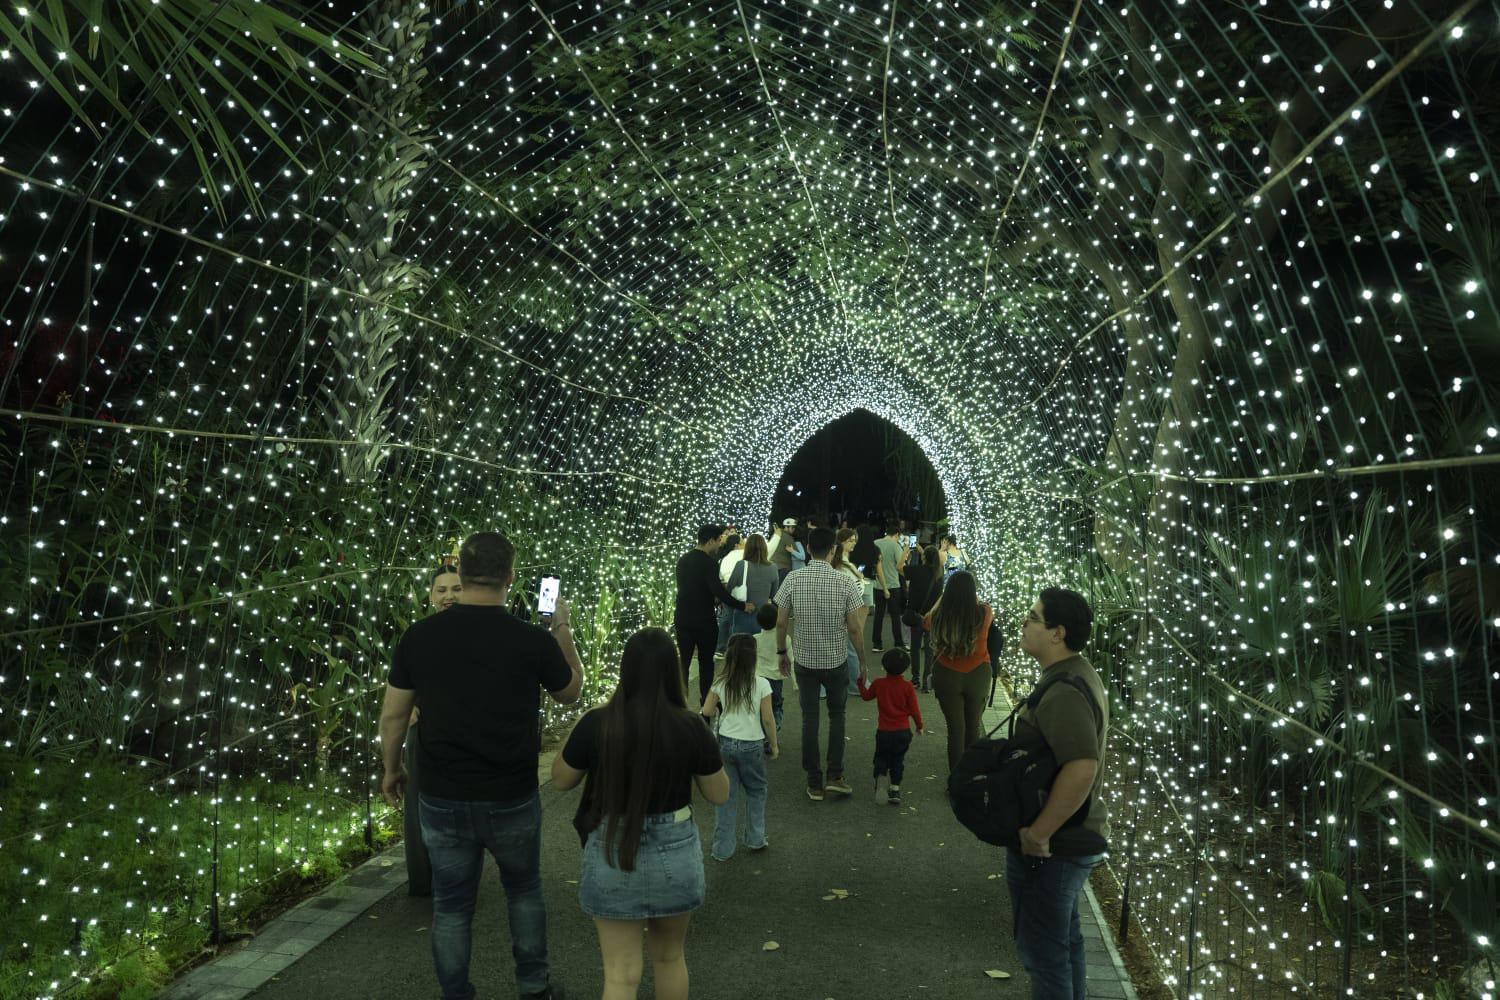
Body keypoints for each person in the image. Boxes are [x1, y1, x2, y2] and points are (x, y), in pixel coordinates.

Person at [379, 532, 583, 1000]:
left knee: (451, 906)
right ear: (510, 577)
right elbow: (571, 692)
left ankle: (456, 994)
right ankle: (533, 987)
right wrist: (561, 630)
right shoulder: (530, 639)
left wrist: (392, 769)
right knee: (524, 893)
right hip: (511, 793)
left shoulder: (420, 637)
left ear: (462, 575)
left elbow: (393, 716)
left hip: (442, 794)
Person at [550, 628, 730, 1000]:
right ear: (673, 670)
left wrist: (582, 724)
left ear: (625, 670)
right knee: (669, 958)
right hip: (676, 850)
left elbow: (560, 780)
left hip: (612, 844)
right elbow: (719, 793)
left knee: (620, 975)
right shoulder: (691, 725)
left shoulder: (599, 723)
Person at [1009, 588, 1110, 1000]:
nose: (1024, 623)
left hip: (1056, 845)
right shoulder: (1073, 673)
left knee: (1044, 953)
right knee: (1064, 943)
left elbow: (1082, 765)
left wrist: (1039, 833)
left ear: (1057, 633)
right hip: (1070, 837)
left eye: (1033, 617)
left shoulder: (1066, 688)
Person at [773, 526, 865, 801]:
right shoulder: (845, 582)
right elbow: (855, 628)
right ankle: (835, 775)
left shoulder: (792, 579)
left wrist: (781, 652)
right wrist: (861, 660)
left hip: (805, 660)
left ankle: (814, 781)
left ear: (809, 549)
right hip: (836, 660)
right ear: (834, 550)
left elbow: (780, 621)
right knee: (837, 716)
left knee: (809, 718)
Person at [402, 564, 463, 898]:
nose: (448, 596)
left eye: (456, 589)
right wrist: (407, 705)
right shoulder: (418, 633)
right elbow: (399, 682)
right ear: (430, 596)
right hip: (423, 729)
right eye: (441, 590)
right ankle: (423, 881)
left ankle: (456, 876)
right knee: (418, 804)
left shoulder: (478, 633)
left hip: (464, 731)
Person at [702, 633, 778, 860]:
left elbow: (706, 711)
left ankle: (722, 848)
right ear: (754, 657)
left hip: (725, 742)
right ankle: (755, 838)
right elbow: (768, 718)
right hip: (752, 744)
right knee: (756, 790)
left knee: (726, 796)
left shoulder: (721, 682)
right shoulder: (762, 684)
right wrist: (773, 744)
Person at [675, 524, 754, 709]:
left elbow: (688, 588)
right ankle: (706, 705)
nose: (720, 545)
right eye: (719, 541)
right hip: (704, 620)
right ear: (710, 541)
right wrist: (742, 605)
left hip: (682, 618)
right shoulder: (709, 563)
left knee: (683, 662)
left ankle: (680, 703)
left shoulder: (683, 560)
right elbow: (718, 591)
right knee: (705, 663)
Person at [923, 570, 994, 772]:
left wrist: (943, 598)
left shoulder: (939, 615)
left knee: (956, 730)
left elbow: (926, 622)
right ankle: (970, 777)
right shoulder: (984, 612)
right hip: (978, 673)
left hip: (946, 673)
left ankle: (955, 778)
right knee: (973, 728)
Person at [856, 648, 924, 806]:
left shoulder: (879, 684)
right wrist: (919, 726)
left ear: (883, 667)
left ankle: (880, 779)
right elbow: (914, 710)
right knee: (897, 760)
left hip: (884, 731)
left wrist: (860, 682)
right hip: (903, 732)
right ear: (906, 668)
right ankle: (895, 789)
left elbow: (866, 696)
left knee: (881, 757)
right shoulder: (907, 687)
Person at [828, 526, 869, 695]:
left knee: (845, 648)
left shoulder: (840, 562)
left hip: (843, 608)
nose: (853, 544)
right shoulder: (841, 564)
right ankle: (857, 683)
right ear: (842, 542)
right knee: (851, 647)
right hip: (845, 609)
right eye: (850, 541)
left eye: (854, 541)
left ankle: (853, 682)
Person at [904, 545, 942, 692]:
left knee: (914, 648)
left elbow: (899, 566)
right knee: (929, 650)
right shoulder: (939, 574)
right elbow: (940, 597)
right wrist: (931, 612)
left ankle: (915, 679)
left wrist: (907, 550)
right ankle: (927, 682)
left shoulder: (916, 570)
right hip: (931, 617)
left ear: (924, 557)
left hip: (915, 614)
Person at [726, 533, 779, 635]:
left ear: (747, 548)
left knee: (740, 648)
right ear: (764, 548)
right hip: (762, 619)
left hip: (741, 617)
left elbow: (728, 591)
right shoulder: (773, 567)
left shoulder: (741, 565)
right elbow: (773, 595)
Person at [871, 521, 908, 652]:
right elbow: (900, 565)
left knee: (878, 616)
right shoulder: (895, 546)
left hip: (877, 585)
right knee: (895, 616)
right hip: (893, 585)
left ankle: (877, 644)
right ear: (897, 534)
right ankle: (898, 642)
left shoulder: (875, 543)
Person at [750, 602, 786, 731]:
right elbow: (790, 660)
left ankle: (762, 733)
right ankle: (773, 732)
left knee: (760, 706)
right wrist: (795, 683)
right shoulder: (784, 638)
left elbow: (751, 660)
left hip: (758, 678)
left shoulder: (754, 639)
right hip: (776, 678)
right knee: (776, 705)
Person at [715, 532, 746, 656]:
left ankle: (721, 648)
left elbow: (720, 576)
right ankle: (737, 649)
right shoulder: (743, 554)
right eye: (742, 541)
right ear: (737, 545)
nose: (744, 543)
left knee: (726, 618)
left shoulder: (724, 558)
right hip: (741, 590)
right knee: (740, 619)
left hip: (726, 589)